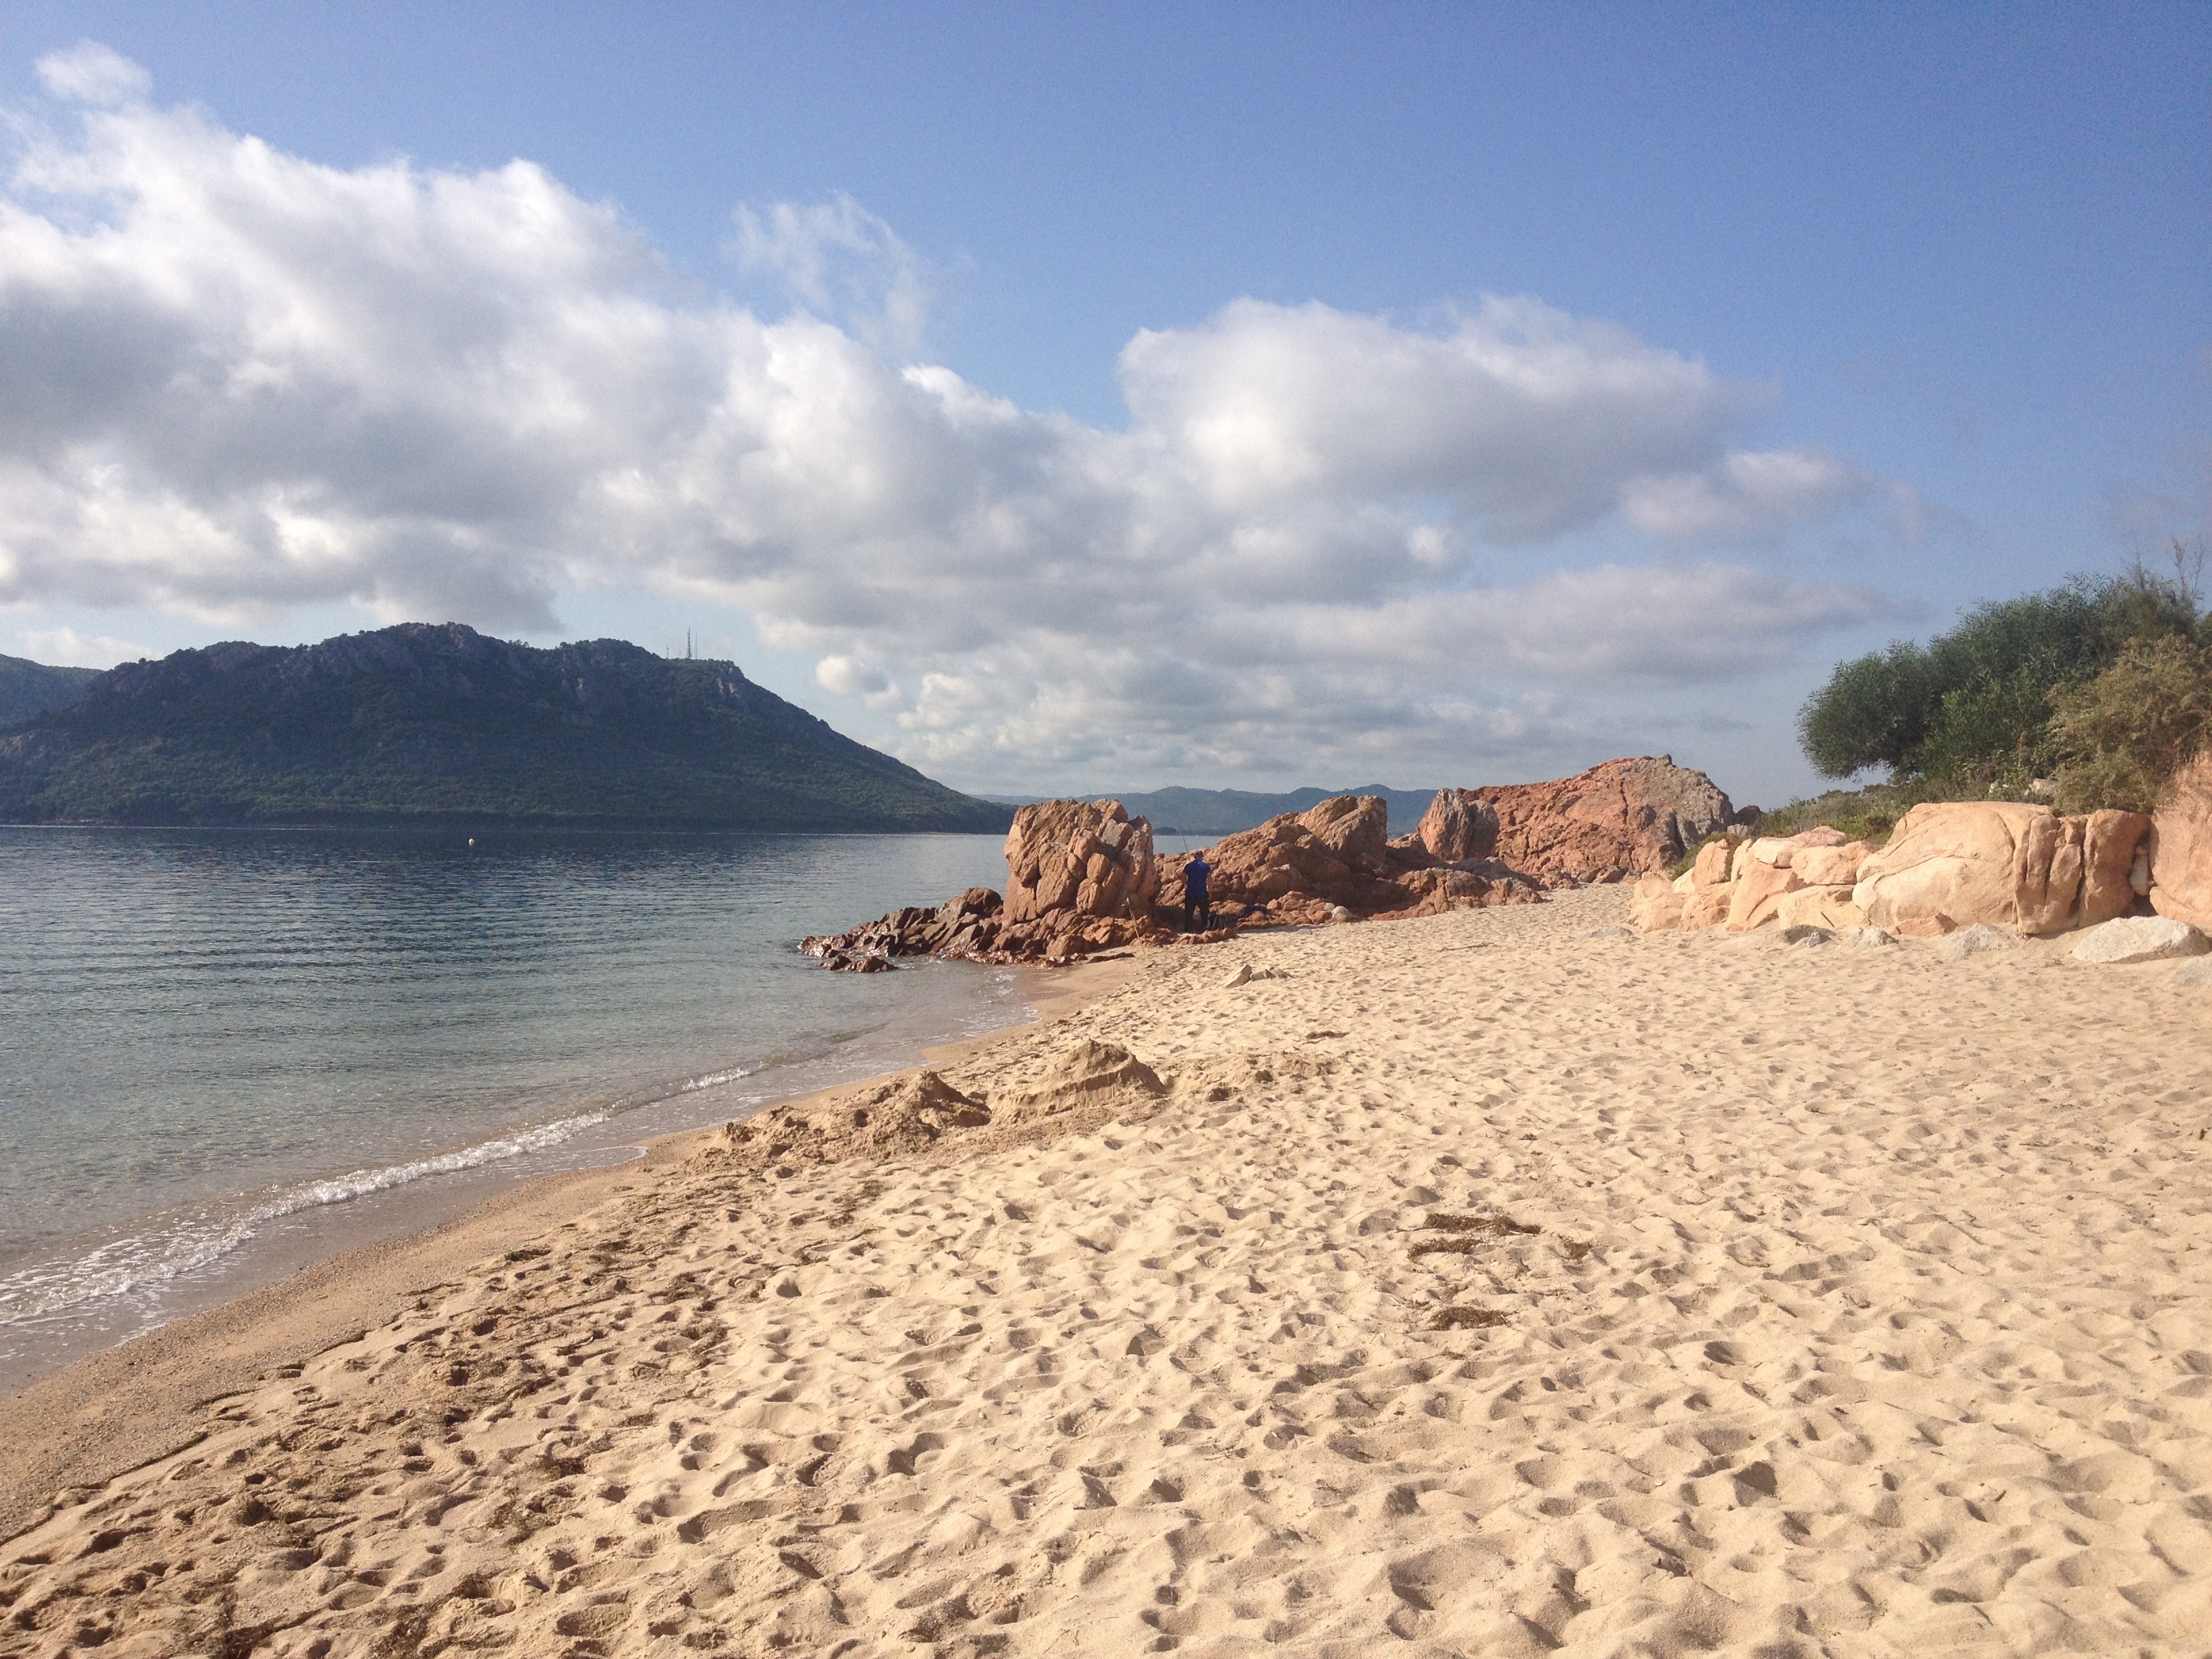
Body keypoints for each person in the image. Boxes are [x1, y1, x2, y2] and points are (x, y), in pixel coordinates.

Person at [1182, 848, 1213, 933]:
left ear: (1194, 857)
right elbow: (1209, 879)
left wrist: (1186, 883)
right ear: (1202, 857)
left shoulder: (1188, 866)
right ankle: (1205, 928)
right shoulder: (1206, 866)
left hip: (1190, 892)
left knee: (1189, 912)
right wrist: (1210, 892)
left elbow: (1183, 876)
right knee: (1204, 912)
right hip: (1202, 892)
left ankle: (1188, 929)